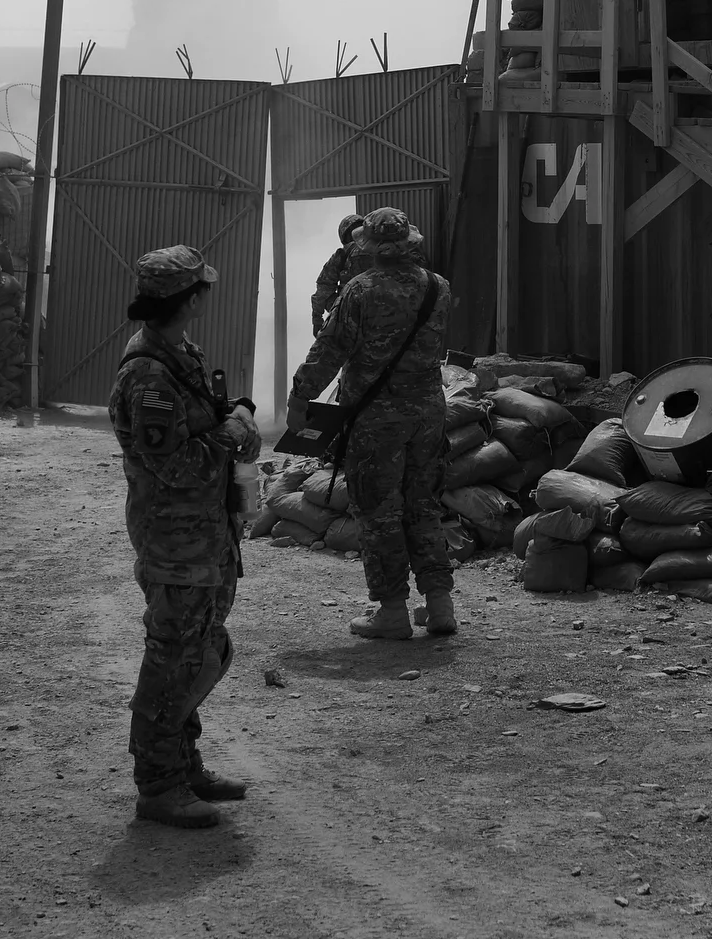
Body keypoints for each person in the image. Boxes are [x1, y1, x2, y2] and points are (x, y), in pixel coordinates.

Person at [107, 244, 261, 829]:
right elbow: (174, 464)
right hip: (175, 539)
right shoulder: (147, 374)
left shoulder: (179, 354)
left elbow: (204, 428)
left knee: (200, 649)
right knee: (172, 659)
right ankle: (159, 785)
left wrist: (231, 421)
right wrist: (232, 432)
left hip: (204, 532)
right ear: (190, 299)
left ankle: (184, 764)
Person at [289, 207, 454, 641]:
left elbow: (330, 350)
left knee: (380, 511)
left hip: (377, 417)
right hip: (429, 413)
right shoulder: (439, 288)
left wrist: (300, 396)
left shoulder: (360, 291)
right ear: (409, 243)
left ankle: (393, 612)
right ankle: (440, 607)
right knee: (423, 505)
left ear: (368, 247)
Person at [309, 213, 366, 336]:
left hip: (349, 316)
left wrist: (317, 320)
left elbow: (323, 290)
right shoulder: (380, 249)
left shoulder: (342, 254)